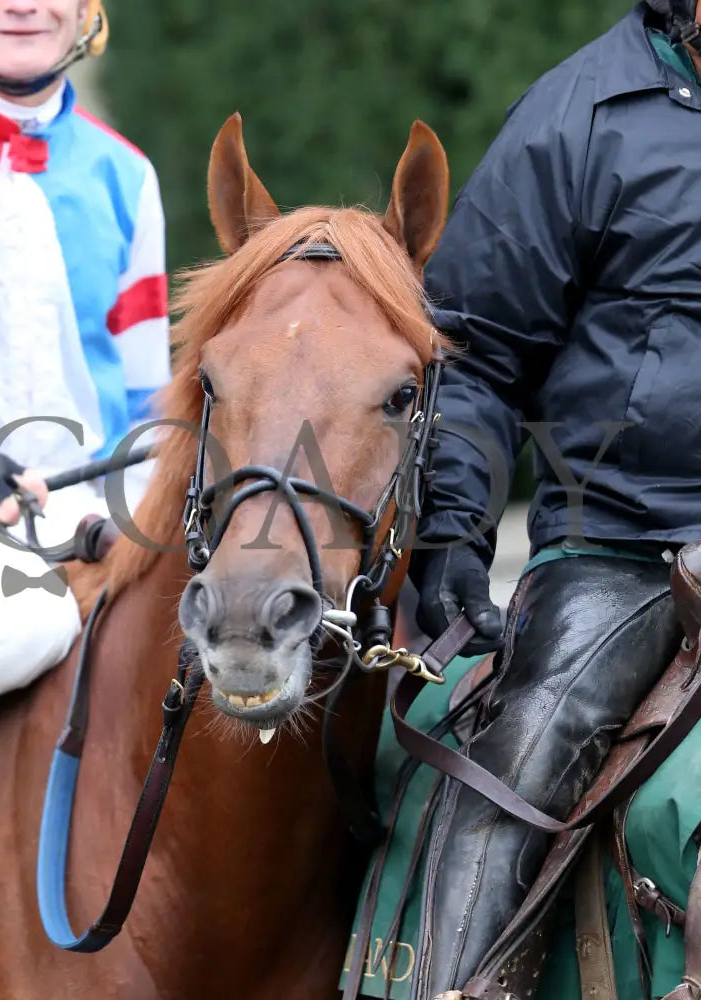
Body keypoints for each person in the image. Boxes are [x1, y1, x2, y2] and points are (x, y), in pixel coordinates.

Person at [411, 1, 701, 996]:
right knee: (519, 761)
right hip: (626, 542)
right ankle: (459, 982)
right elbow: (473, 351)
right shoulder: (579, 110)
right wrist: (449, 527)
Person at [0, 0, 169, 738]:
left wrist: (136, 535)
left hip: (82, 534)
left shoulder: (128, 176)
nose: (22, 5)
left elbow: (149, 406)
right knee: (30, 622)